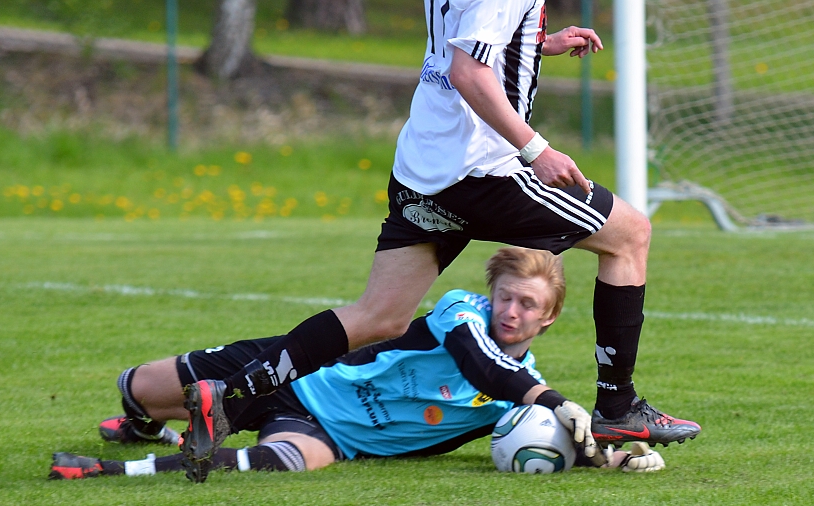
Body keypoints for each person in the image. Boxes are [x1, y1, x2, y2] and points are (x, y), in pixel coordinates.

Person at [168, 0, 685, 479]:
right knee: (629, 234)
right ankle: (618, 408)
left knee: (379, 317)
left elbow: (460, 41)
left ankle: (231, 398)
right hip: (480, 170)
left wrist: (534, 43)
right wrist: (536, 149)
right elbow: (467, 72)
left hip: (423, 165)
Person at [50, 248, 696, 481]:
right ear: (491, 293)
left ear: (549, 317)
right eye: (507, 297)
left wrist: (614, 456)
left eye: (528, 306)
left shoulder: (516, 403)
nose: (512, 312)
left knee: (290, 464)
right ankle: (143, 423)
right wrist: (553, 400)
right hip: (294, 372)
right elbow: (484, 367)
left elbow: (549, 435)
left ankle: (119, 469)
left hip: (328, 432)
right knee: (138, 386)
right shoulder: (460, 312)